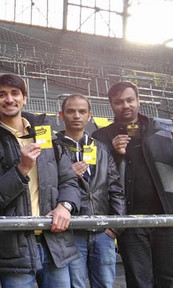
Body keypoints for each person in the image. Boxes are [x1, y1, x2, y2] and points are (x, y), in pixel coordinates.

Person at [0, 74, 81, 288]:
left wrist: (65, 206)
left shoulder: (45, 134)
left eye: (15, 93)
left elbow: (68, 180)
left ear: (25, 98)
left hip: (54, 243)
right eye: (2, 95)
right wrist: (22, 169)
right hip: (14, 251)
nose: (9, 99)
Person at [92, 81, 173, 288]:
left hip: (166, 217)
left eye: (130, 100)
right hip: (129, 220)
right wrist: (112, 152)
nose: (126, 105)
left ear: (139, 101)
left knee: (168, 279)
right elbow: (94, 175)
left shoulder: (163, 128)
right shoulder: (102, 136)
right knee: (139, 282)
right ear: (111, 105)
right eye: (119, 102)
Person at [53, 94, 125, 288]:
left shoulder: (101, 149)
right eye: (71, 111)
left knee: (104, 284)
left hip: (103, 231)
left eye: (82, 111)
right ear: (61, 115)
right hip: (71, 232)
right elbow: (46, 187)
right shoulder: (52, 148)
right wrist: (68, 175)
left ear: (90, 116)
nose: (77, 115)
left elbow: (116, 189)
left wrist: (114, 228)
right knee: (75, 285)